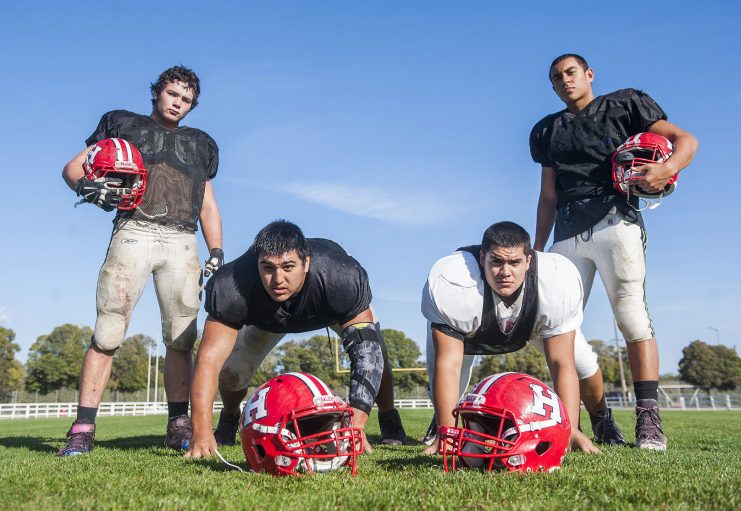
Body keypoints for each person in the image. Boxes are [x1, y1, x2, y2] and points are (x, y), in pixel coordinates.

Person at [530, 53, 699, 450]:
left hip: (614, 220)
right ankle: (601, 418)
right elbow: (547, 196)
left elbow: (687, 141)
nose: (564, 81)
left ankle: (648, 420)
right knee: (551, 328)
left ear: (588, 74)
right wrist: (537, 250)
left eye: (571, 73)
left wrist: (663, 169)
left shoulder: (624, 104)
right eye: (556, 78)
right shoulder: (547, 130)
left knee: (632, 318)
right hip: (567, 232)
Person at [59, 65, 224, 456]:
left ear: (192, 105)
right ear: (157, 93)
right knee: (108, 332)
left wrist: (216, 250)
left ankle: (177, 424)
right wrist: (87, 186)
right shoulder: (123, 123)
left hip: (182, 240)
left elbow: (208, 204)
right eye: (172, 94)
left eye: (186, 99)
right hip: (133, 230)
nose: (177, 103)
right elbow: (72, 168)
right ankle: (83, 427)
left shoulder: (201, 143)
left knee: (181, 339)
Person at [186, 220, 406, 459]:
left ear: (306, 262)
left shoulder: (340, 274)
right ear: (256, 262)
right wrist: (200, 429)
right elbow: (209, 359)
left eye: (288, 266)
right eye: (268, 268)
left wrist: (357, 419)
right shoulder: (232, 284)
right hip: (266, 317)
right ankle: (229, 418)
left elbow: (367, 352)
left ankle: (389, 418)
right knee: (231, 371)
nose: (278, 278)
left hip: (327, 305)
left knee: (376, 350)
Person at [423, 221, 623, 456]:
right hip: (472, 325)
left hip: (533, 324)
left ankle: (601, 418)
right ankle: (443, 421)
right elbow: (448, 364)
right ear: (481, 258)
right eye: (496, 261)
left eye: (514, 262)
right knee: (444, 377)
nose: (505, 272)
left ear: (528, 261)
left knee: (584, 364)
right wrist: (447, 432)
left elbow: (561, 363)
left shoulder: (555, 281)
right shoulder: (455, 285)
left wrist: (567, 429)